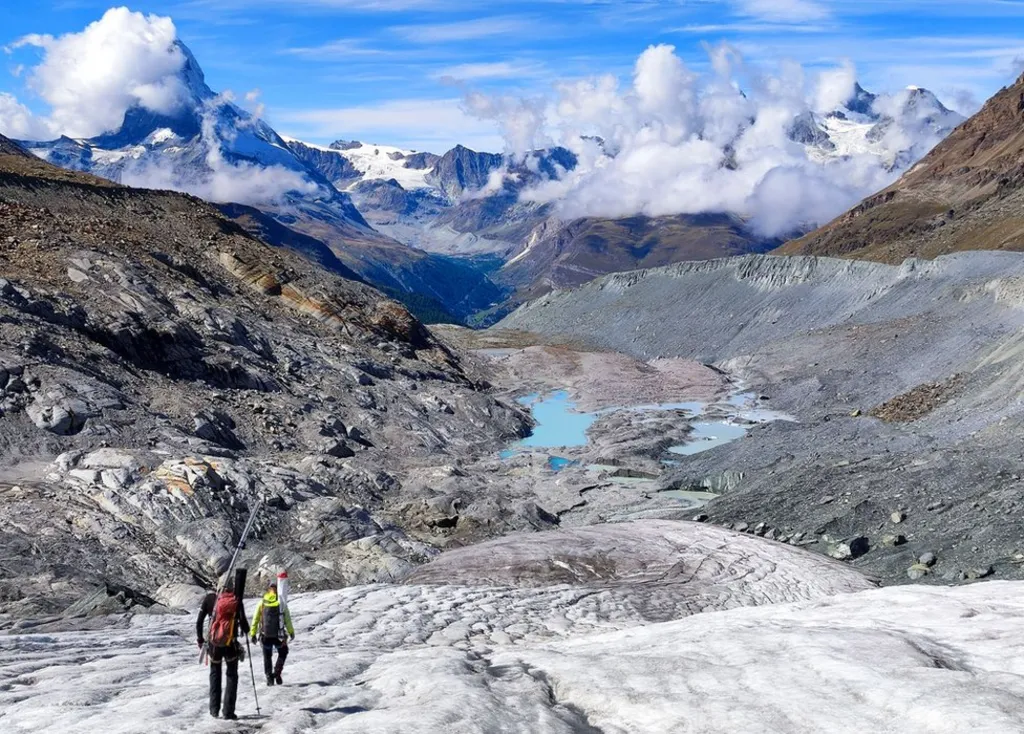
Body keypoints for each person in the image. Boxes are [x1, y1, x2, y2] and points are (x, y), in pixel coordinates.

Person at [196, 579, 250, 720]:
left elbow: (199, 622)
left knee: (215, 674)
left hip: (214, 645)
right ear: (232, 588)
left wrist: (200, 640)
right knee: (232, 676)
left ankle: (214, 710)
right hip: (230, 644)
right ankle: (228, 712)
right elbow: (244, 624)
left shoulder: (209, 599)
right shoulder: (236, 601)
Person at [250, 581, 295, 686]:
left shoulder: (262, 603)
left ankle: (269, 677)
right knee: (283, 651)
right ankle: (277, 672)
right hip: (279, 636)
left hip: (265, 635)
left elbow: (255, 619)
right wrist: (291, 632)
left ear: (268, 590)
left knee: (267, 656)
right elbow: (287, 619)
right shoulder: (281, 603)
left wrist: (252, 634)